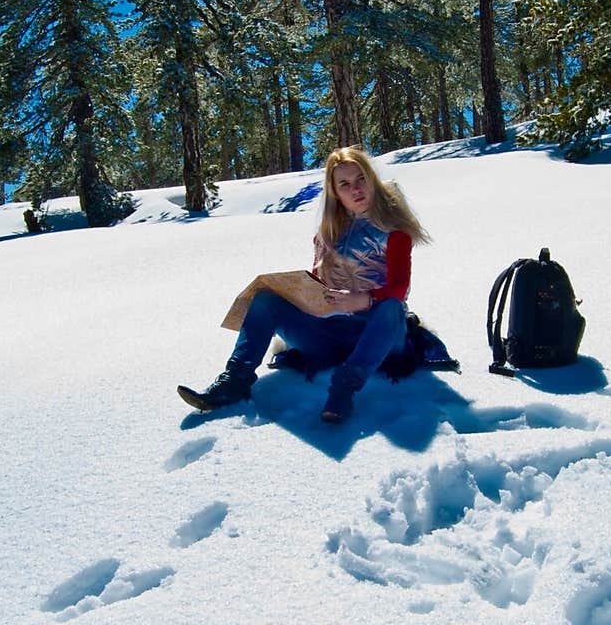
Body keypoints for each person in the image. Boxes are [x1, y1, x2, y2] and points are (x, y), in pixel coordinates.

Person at [178, 146, 431, 423]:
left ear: (372, 180)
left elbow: (398, 287)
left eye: (361, 179)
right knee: (265, 298)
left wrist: (363, 299)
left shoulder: (395, 231)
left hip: (379, 336)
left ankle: (343, 388)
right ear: (335, 192)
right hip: (330, 334)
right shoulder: (328, 234)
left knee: (393, 307)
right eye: (344, 184)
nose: (355, 189)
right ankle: (234, 382)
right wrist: (305, 292)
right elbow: (319, 288)